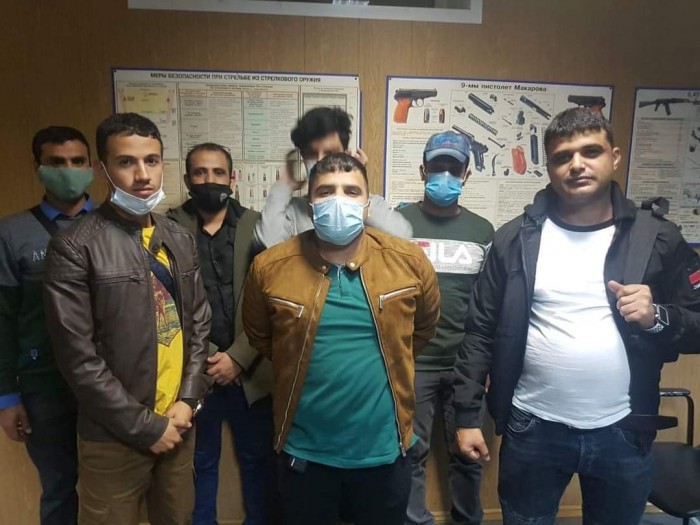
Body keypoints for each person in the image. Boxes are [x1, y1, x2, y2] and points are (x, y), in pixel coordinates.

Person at [453, 107, 700, 525]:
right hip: (532, 427)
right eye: (563, 156)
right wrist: (465, 415)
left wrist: (658, 316)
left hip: (623, 429)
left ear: (614, 157)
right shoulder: (515, 239)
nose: (577, 164)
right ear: (549, 166)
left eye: (590, 151)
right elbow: (479, 331)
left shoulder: (657, 236)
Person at [243, 152, 440, 525]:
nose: (338, 200)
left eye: (351, 191)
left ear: (367, 204)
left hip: (384, 453)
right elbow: (261, 336)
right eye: (326, 191)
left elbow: (422, 331)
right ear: (310, 204)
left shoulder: (408, 261)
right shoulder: (270, 266)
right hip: (305, 454)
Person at [43, 113, 211, 525]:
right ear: (103, 169)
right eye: (126, 162)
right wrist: (144, 427)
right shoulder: (75, 246)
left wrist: (189, 400)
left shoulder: (179, 237)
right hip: (114, 435)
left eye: (151, 161)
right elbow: (77, 358)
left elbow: (199, 325)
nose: (142, 175)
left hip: (178, 423)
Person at [167, 142, 275, 525]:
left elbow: (274, 298)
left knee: (258, 460)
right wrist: (211, 355)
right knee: (199, 462)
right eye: (200, 173)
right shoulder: (167, 228)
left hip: (254, 371)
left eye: (217, 172)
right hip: (195, 371)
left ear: (233, 178)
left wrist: (239, 357)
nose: (209, 180)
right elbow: (165, 302)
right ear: (187, 179)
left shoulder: (260, 227)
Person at [399, 131, 493, 525]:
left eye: (454, 169)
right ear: (423, 170)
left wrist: (487, 366)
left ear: (466, 174)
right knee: (410, 453)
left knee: (467, 454)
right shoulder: (398, 224)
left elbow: (489, 305)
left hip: (465, 365)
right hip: (412, 362)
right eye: (437, 166)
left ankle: (468, 520)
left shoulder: (483, 231)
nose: (445, 175)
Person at [0, 126, 93, 525]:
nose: (68, 170)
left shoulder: (114, 225)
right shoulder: (12, 234)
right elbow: (3, 320)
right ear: (37, 167)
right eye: (56, 163)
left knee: (110, 487)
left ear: (92, 166)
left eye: (77, 161)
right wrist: (7, 398)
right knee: (58, 488)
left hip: (109, 384)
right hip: (44, 385)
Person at [254, 106, 412, 247]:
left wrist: (356, 180)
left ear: (345, 153)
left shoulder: (371, 204)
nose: (320, 160)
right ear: (302, 156)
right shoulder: (295, 211)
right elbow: (267, 244)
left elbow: (402, 236)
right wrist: (284, 185)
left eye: (330, 153)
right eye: (311, 153)